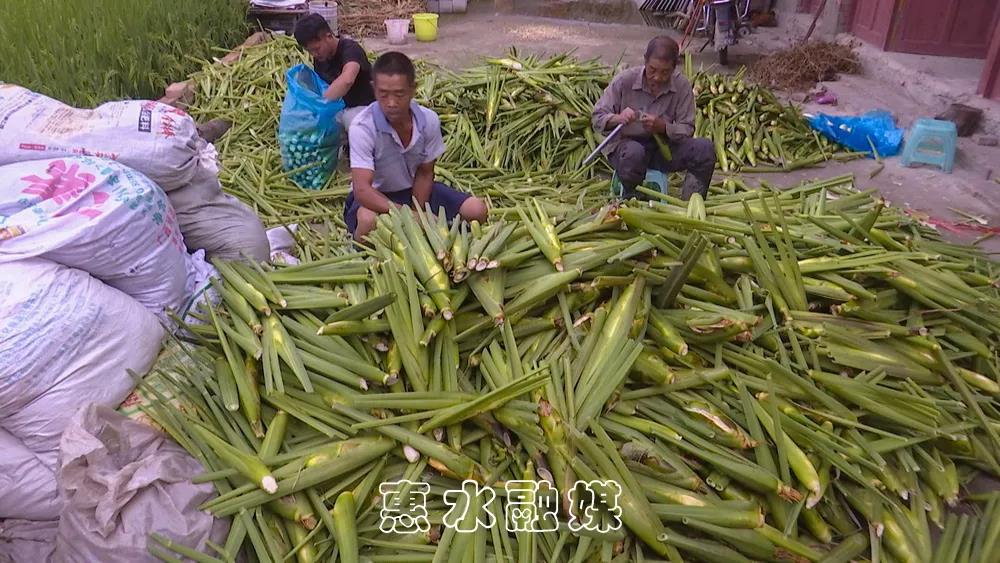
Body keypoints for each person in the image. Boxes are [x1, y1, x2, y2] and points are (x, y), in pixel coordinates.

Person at [345, 52, 488, 240]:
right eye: (383, 94)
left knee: (477, 210)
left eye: (399, 94)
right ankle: (363, 250)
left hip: (413, 191)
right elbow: (362, 190)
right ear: (374, 89)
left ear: (413, 89)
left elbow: (425, 172)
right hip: (376, 198)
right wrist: (412, 218)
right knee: (368, 221)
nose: (391, 103)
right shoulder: (362, 127)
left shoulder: (428, 120)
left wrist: (418, 212)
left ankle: (440, 236)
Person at [592, 35, 716, 201]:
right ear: (645, 61)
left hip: (663, 150)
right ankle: (631, 199)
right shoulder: (625, 81)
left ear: (674, 68)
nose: (657, 77)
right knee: (634, 153)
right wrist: (618, 118)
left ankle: (692, 202)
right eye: (652, 70)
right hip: (626, 149)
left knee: (704, 149)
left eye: (665, 72)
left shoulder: (681, 86)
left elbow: (687, 128)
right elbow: (597, 117)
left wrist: (663, 127)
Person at [293, 13, 375, 135]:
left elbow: (347, 79)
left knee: (352, 121)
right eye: (309, 51)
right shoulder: (321, 58)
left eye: (316, 49)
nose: (314, 54)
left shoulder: (350, 49)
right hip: (339, 108)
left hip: (365, 108)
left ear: (329, 36)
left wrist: (321, 105)